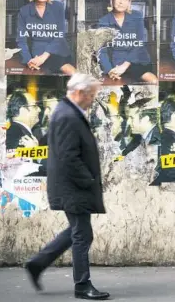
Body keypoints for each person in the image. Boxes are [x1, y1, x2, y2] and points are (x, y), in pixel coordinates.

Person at [24, 73, 110, 300]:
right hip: (73, 187)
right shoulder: (67, 116)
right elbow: (68, 157)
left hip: (72, 185)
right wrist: (88, 181)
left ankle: (38, 263)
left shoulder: (67, 112)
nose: (93, 99)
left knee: (77, 231)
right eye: (91, 95)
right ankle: (82, 285)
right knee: (83, 234)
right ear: (79, 93)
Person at [98, 0, 158, 83]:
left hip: (137, 60)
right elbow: (102, 51)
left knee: (153, 81)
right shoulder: (103, 21)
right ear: (112, 0)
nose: (121, 2)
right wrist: (109, 70)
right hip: (117, 64)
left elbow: (139, 43)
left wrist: (125, 65)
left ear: (129, 3)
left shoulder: (137, 16)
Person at [16, 0, 76, 75]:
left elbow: (60, 35)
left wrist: (43, 57)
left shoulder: (58, 7)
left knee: (66, 67)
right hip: (38, 52)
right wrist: (28, 60)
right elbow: (21, 40)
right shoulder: (24, 11)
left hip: (59, 48)